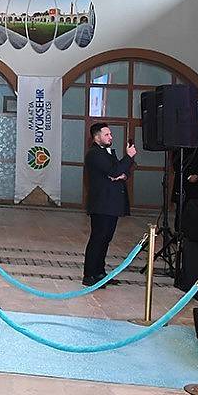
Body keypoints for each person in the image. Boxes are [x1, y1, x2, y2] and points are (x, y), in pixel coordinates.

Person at [83, 123, 136, 286]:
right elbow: (114, 170)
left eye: (111, 134)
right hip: (102, 203)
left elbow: (120, 170)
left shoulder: (108, 153)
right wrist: (128, 157)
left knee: (106, 239)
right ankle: (89, 275)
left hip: (111, 203)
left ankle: (100, 273)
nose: (110, 137)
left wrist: (123, 175)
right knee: (98, 238)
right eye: (106, 134)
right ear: (96, 137)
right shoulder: (94, 154)